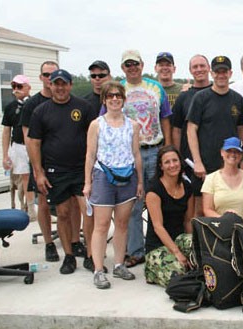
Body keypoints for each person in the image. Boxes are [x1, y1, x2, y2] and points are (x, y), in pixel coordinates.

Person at [26, 69, 98, 274]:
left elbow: (93, 138)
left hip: (82, 170)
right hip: (55, 171)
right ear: (50, 85)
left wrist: (94, 170)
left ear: (70, 85)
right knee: (64, 214)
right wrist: (38, 173)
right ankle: (68, 256)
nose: (59, 88)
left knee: (88, 212)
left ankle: (91, 254)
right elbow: (34, 143)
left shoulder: (83, 107)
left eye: (63, 84)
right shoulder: (41, 111)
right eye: (56, 84)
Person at [106, 49, 172, 268]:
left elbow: (165, 119)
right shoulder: (117, 90)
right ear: (123, 68)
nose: (132, 67)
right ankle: (136, 250)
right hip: (129, 155)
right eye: (128, 65)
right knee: (133, 204)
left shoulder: (156, 87)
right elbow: (106, 120)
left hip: (155, 149)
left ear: (142, 65)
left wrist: (168, 148)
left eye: (135, 63)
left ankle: (158, 245)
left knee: (159, 200)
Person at [84, 81, 143, 289]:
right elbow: (90, 155)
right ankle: (99, 269)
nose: (115, 99)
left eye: (118, 95)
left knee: (122, 224)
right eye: (111, 96)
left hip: (127, 178)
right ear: (105, 100)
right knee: (101, 226)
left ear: (124, 99)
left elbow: (136, 154)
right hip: (103, 177)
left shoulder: (133, 125)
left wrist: (140, 181)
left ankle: (119, 264)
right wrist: (87, 183)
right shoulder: (96, 124)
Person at [186, 55, 243, 217]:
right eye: (218, 71)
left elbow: (241, 130)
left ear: (230, 73)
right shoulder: (201, 98)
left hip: (230, 164)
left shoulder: (238, 100)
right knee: (200, 210)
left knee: (228, 207)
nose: (221, 75)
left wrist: (242, 160)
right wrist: (197, 162)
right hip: (204, 165)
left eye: (224, 71)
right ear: (212, 73)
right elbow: (191, 129)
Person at [144, 146, 194, 287]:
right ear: (161, 166)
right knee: (179, 277)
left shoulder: (187, 187)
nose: (172, 165)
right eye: (167, 162)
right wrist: (177, 253)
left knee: (201, 255)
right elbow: (158, 227)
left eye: (175, 160)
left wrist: (192, 249)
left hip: (179, 238)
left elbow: (188, 221)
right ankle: (151, 270)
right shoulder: (154, 189)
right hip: (157, 246)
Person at [170, 54, 212, 212]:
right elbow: (177, 129)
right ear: (190, 70)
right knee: (193, 206)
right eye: (195, 67)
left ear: (209, 68)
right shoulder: (184, 97)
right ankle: (193, 236)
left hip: (216, 158)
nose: (199, 69)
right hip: (190, 160)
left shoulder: (220, 92)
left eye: (202, 66)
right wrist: (178, 157)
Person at [202, 137, 243, 223]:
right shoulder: (211, 178)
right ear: (222, 152)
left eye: (237, 152)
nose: (233, 154)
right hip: (217, 228)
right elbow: (207, 209)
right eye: (229, 151)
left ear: (241, 155)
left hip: (241, 229)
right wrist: (226, 220)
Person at [2, 75, 36, 221]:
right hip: (19, 146)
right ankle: (30, 209)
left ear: (28, 87)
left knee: (40, 175)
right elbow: (6, 131)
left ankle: (46, 208)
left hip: (35, 145)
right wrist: (5, 155)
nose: (16, 90)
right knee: (25, 178)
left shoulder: (35, 104)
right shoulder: (10, 107)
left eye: (20, 86)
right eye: (14, 86)